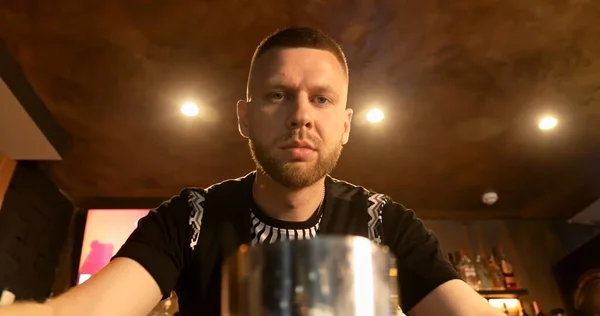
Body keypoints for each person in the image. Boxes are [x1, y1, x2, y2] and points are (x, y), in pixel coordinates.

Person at [0, 27, 502, 316]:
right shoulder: (189, 219)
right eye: (277, 95)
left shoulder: (385, 224)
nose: (301, 115)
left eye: (321, 99)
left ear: (345, 125)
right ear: (244, 117)